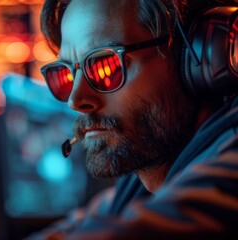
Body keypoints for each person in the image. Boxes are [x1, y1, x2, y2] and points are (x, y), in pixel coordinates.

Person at [27, 0, 238, 239]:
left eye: (105, 64)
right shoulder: (141, 185)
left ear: (200, 55)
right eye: (65, 73)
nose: (75, 100)